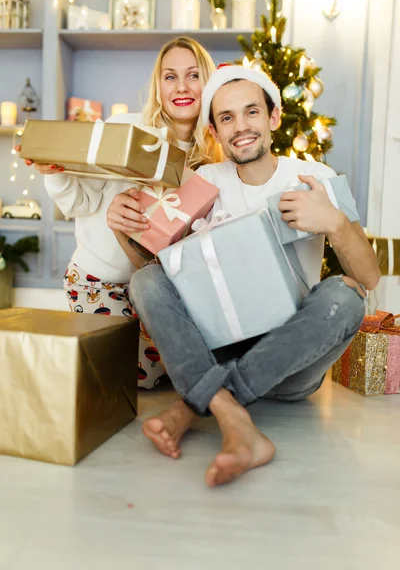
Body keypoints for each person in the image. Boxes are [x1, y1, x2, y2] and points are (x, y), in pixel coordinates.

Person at [125, 65, 381, 487]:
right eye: (226, 118)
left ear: (273, 117)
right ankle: (232, 416)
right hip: (222, 347)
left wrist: (333, 222)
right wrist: (124, 226)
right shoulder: (206, 181)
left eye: (251, 113)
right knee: (146, 281)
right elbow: (155, 273)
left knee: (347, 294)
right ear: (215, 131)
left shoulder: (313, 177)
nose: (241, 127)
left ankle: (195, 405)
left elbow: (368, 277)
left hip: (291, 363)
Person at [18, 36, 222, 390]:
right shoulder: (128, 131)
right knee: (143, 375)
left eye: (193, 75)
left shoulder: (211, 165)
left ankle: (95, 353)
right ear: (158, 86)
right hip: (98, 281)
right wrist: (57, 173)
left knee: (179, 364)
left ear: (208, 83)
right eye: (170, 77)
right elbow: (79, 202)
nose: (181, 87)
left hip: (158, 288)